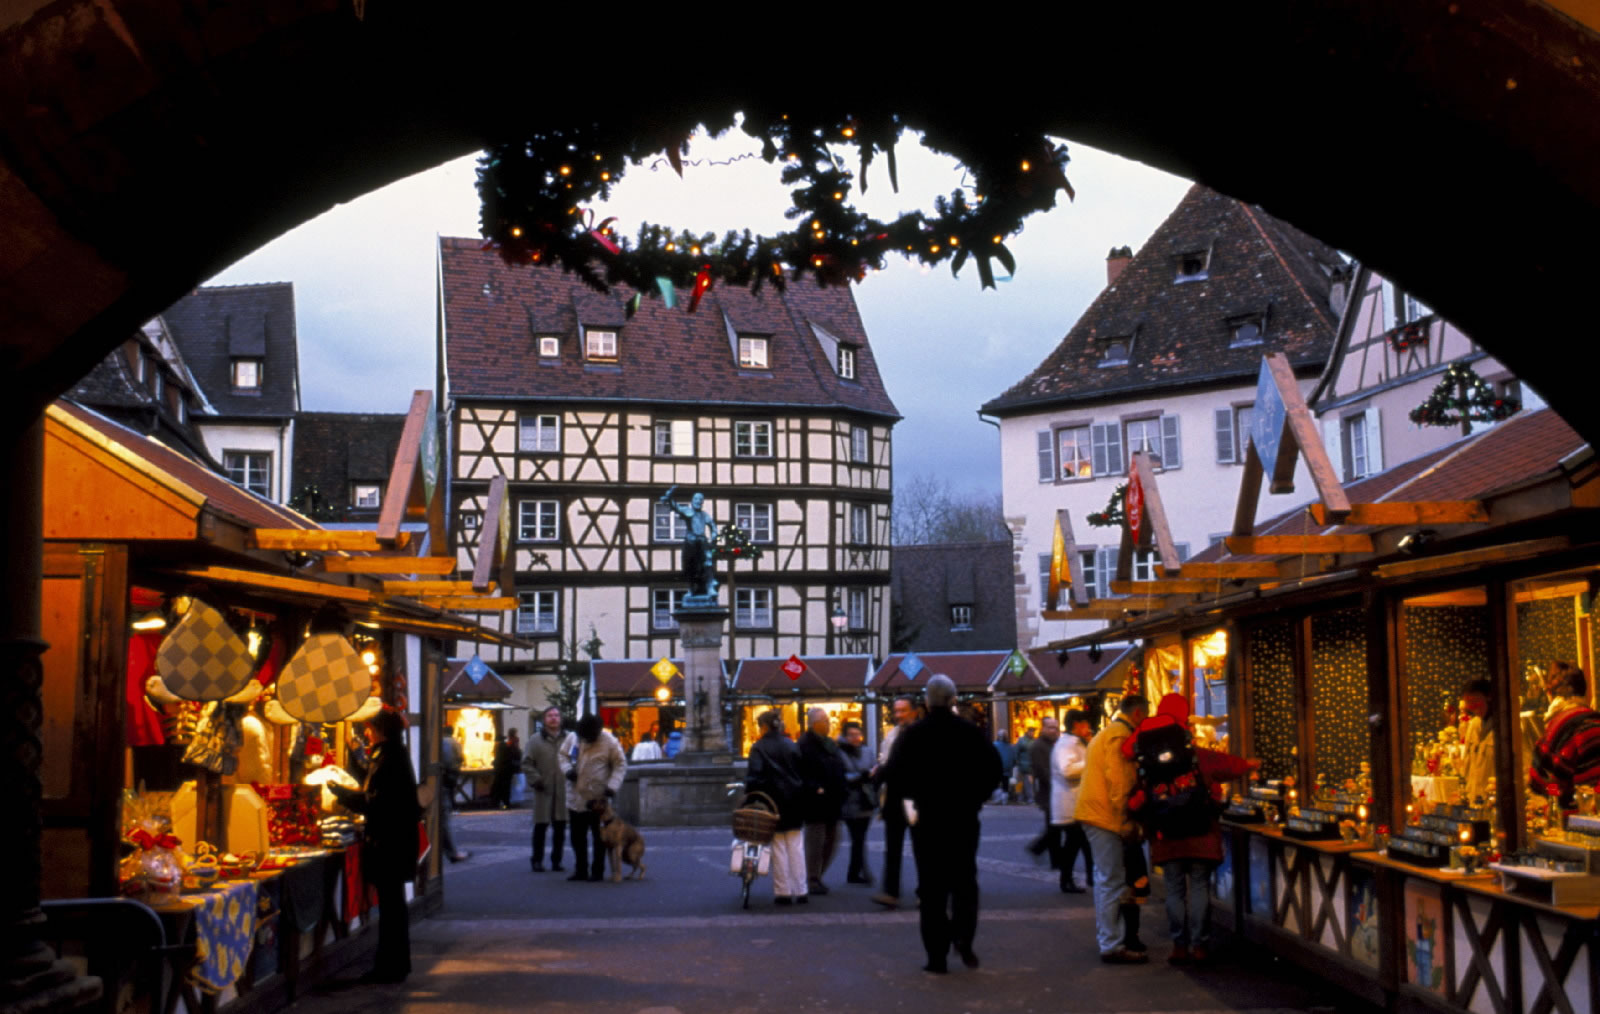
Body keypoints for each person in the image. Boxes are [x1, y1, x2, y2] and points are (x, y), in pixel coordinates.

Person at [883, 674, 1004, 974]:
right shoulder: (970, 733)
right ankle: (964, 936)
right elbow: (993, 770)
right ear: (953, 700)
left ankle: (936, 956)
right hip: (962, 818)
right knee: (964, 881)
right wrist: (976, 798)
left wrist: (907, 810)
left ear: (926, 701)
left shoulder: (912, 736)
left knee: (931, 888)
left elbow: (896, 777)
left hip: (927, 821)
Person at [1124, 693, 1257, 963]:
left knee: (1173, 890)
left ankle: (1179, 946)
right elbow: (1228, 765)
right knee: (1198, 888)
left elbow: (1132, 773)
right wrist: (1249, 765)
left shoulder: (1148, 761)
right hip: (1201, 831)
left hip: (1166, 834)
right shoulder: (1196, 755)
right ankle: (1199, 945)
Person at [328, 708, 419, 985]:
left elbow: (376, 803)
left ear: (380, 730)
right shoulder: (391, 754)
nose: (367, 732)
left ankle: (390, 968)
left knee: (392, 909)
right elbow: (372, 782)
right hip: (395, 842)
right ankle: (393, 965)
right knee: (394, 907)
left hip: (390, 844)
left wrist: (342, 794)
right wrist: (354, 762)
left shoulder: (390, 758)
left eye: (369, 728)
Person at [1075, 694, 1151, 964]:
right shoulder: (1119, 736)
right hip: (1104, 815)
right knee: (1111, 880)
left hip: (1094, 813)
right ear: (1139, 714)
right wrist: (1125, 820)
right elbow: (1120, 783)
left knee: (1107, 878)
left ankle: (1110, 939)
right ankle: (1111, 944)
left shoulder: (1109, 732)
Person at [745, 709, 808, 905]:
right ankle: (801, 889)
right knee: (796, 845)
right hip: (795, 800)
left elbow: (755, 777)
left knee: (778, 846)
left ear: (764, 726)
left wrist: (750, 796)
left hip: (773, 801)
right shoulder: (791, 745)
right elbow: (801, 772)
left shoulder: (759, 748)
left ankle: (783, 891)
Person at [562, 714, 627, 881]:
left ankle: (597, 871)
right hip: (575, 796)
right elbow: (562, 756)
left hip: (598, 799)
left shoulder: (609, 741)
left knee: (600, 838)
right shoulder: (573, 738)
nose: (586, 740)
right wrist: (567, 770)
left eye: (589, 738)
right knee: (577, 837)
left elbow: (620, 764)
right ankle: (581, 870)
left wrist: (612, 786)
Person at [1531, 661, 1600, 809]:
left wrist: (1549, 794)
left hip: (1575, 811)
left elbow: (1545, 783)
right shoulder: (1592, 720)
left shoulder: (1559, 724)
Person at [870, 694, 918, 908]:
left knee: (922, 848)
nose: (899, 715)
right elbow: (887, 761)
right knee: (892, 848)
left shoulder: (919, 733)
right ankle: (891, 891)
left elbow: (895, 765)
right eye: (896, 710)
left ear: (914, 711)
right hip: (894, 798)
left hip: (915, 798)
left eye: (903, 710)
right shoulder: (892, 735)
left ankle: (926, 892)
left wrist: (880, 772)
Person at [799, 706, 847, 895]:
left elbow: (837, 765)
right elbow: (803, 772)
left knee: (832, 840)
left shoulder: (829, 744)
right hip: (816, 803)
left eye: (827, 720)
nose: (828, 724)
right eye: (825, 721)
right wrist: (815, 788)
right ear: (814, 724)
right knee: (816, 841)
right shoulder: (805, 745)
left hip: (833, 800)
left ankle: (818, 875)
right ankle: (812, 878)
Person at [1050, 709, 1093, 892]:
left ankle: (1084, 877)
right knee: (1074, 844)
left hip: (1076, 803)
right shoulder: (1066, 745)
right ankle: (1066, 880)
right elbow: (1067, 770)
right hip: (1070, 804)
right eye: (1086, 724)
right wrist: (1090, 762)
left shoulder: (1077, 743)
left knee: (1081, 843)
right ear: (1077, 725)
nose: (1089, 728)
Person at [522, 706, 567, 872]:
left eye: (556, 715)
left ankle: (557, 860)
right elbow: (526, 763)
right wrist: (536, 779)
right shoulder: (535, 740)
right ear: (544, 719)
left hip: (563, 789)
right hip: (544, 788)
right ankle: (537, 860)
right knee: (540, 827)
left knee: (560, 828)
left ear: (561, 719)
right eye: (550, 715)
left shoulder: (568, 738)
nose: (554, 718)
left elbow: (576, 758)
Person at [838, 720, 877, 885]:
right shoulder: (840, 753)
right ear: (845, 737)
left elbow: (874, 770)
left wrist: (870, 775)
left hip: (866, 800)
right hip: (849, 801)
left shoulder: (868, 751)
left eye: (857, 734)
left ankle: (855, 871)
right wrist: (864, 775)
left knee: (860, 838)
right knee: (857, 837)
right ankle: (857, 872)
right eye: (851, 735)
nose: (855, 738)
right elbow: (842, 777)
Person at [1026, 716, 1061, 862]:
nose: (1054, 731)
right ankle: (1039, 848)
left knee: (1055, 826)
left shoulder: (1055, 744)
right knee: (1054, 826)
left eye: (1056, 728)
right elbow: (1042, 771)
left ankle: (1052, 856)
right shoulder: (1038, 746)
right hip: (1048, 793)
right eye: (1051, 727)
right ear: (1043, 728)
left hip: (1056, 792)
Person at [438, 724, 470, 862]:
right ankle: (452, 852)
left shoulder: (443, 742)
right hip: (449, 778)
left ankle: (450, 852)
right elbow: (457, 759)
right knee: (444, 816)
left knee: (443, 815)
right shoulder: (454, 742)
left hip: (444, 779)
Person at [491, 728, 522, 809]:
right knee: (505, 787)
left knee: (499, 787)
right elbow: (516, 754)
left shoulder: (501, 746)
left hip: (501, 769)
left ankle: (497, 803)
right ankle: (506, 803)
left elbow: (498, 758)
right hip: (507, 769)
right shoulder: (509, 744)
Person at [992, 731, 1015, 803]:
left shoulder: (994, 745)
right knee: (1005, 784)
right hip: (1007, 768)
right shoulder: (1010, 746)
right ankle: (1004, 799)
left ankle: (997, 798)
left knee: (996, 784)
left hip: (997, 767)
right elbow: (1013, 758)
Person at [1016, 726, 1036, 804]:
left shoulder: (1034, 741)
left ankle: (1029, 798)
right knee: (1020, 783)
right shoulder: (1021, 740)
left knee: (1029, 783)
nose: (1032, 733)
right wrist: (1017, 761)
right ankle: (1020, 798)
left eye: (1033, 732)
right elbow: (1016, 751)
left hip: (1029, 766)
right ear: (1027, 732)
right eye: (1031, 731)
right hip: (1022, 764)